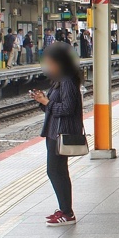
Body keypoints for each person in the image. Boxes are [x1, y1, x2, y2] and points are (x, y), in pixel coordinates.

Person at [32, 44, 84, 225]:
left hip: (61, 132)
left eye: (49, 62)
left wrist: (47, 102)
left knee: (56, 171)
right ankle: (64, 209)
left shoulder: (68, 80)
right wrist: (42, 101)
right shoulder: (59, 80)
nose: (47, 66)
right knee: (57, 171)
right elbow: (53, 107)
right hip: (53, 131)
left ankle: (67, 213)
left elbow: (68, 108)